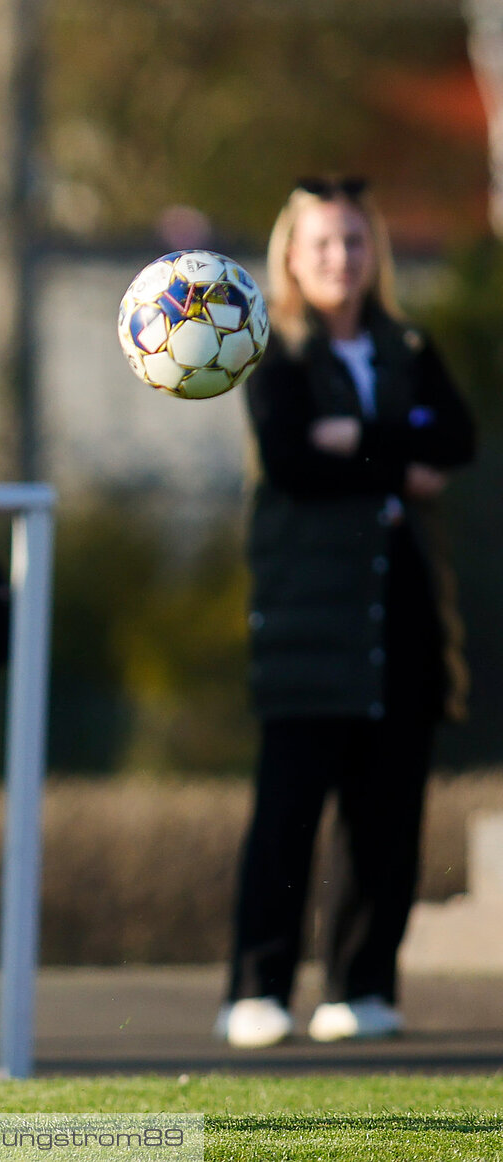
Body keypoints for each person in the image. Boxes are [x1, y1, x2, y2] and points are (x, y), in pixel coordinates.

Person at [218, 177, 475, 1049]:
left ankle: (362, 987)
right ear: (292, 255)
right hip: (306, 618)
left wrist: (360, 440)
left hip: (401, 612)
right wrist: (399, 458)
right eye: (323, 243)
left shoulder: (407, 342)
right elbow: (293, 462)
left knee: (387, 812)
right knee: (289, 811)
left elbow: (460, 440)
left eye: (355, 243)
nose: (340, 259)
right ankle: (258, 987)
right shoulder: (273, 353)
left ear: (376, 253)